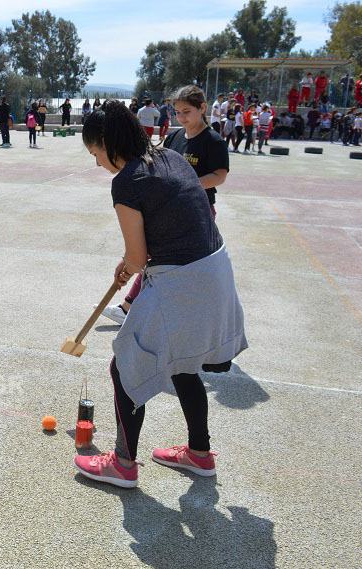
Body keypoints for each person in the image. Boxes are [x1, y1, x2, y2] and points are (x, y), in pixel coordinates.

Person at [74, 100, 246, 489]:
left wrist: (129, 262)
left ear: (106, 142)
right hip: (215, 268)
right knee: (183, 364)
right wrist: (130, 262)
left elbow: (138, 256)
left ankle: (122, 464)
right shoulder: (170, 155)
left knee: (125, 366)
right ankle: (199, 455)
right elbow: (164, 227)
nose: (98, 163)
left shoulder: (126, 182)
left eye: (95, 153)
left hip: (182, 280)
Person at [102, 85, 229, 325]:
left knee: (162, 259)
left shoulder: (212, 141)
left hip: (198, 208)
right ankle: (132, 305)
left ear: (203, 108)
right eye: (177, 112)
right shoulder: (174, 137)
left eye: (186, 111)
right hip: (167, 207)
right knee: (152, 256)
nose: (181, 117)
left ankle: (131, 305)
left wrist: (188, 183)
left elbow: (220, 175)